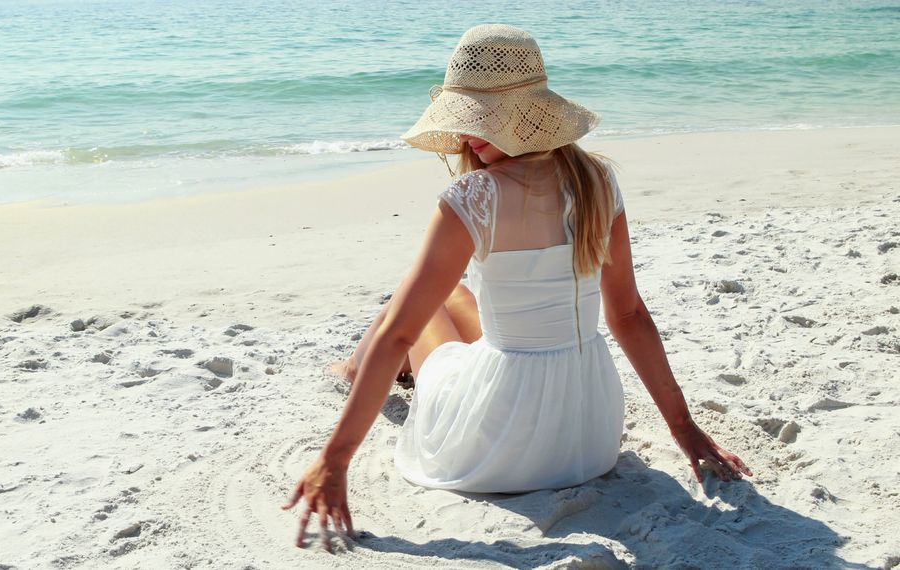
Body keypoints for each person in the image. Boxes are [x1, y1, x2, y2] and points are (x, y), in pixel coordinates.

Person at [281, 23, 751, 550]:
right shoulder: (598, 181)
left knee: (406, 312)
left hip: (498, 443)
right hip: (588, 434)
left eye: (482, 119)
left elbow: (397, 336)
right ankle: (352, 367)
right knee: (455, 295)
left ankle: (351, 369)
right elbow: (628, 316)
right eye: (469, 119)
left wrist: (334, 459)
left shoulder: (472, 196)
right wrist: (683, 428)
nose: (467, 136)